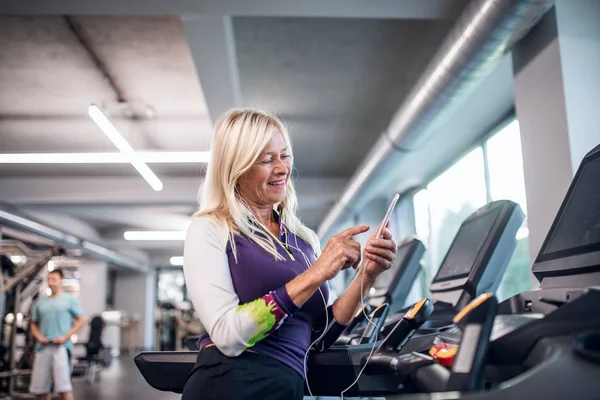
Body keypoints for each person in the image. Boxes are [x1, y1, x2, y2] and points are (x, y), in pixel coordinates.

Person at [181, 108, 397, 400]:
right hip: (232, 382)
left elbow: (317, 336)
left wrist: (367, 274)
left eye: (284, 155)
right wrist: (316, 273)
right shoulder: (210, 228)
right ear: (236, 167)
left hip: (287, 386)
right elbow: (228, 336)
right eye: (267, 159)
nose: (282, 168)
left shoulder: (303, 240)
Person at [29, 268, 86, 400]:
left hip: (61, 347)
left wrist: (65, 337)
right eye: (49, 279)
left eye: (54, 279)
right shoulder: (41, 302)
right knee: (39, 388)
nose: (51, 282)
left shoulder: (69, 300)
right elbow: (33, 323)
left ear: (61, 281)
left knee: (63, 388)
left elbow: (81, 320)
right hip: (42, 347)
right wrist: (38, 336)